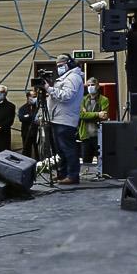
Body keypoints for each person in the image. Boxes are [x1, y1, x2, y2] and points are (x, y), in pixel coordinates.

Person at [46, 56, 86, 185]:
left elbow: (67, 96)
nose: (59, 67)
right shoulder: (66, 77)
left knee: (68, 149)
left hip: (65, 119)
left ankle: (72, 175)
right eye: (57, 65)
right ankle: (63, 174)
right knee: (61, 150)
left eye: (61, 64)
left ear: (70, 64)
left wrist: (49, 89)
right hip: (58, 118)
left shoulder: (73, 77)